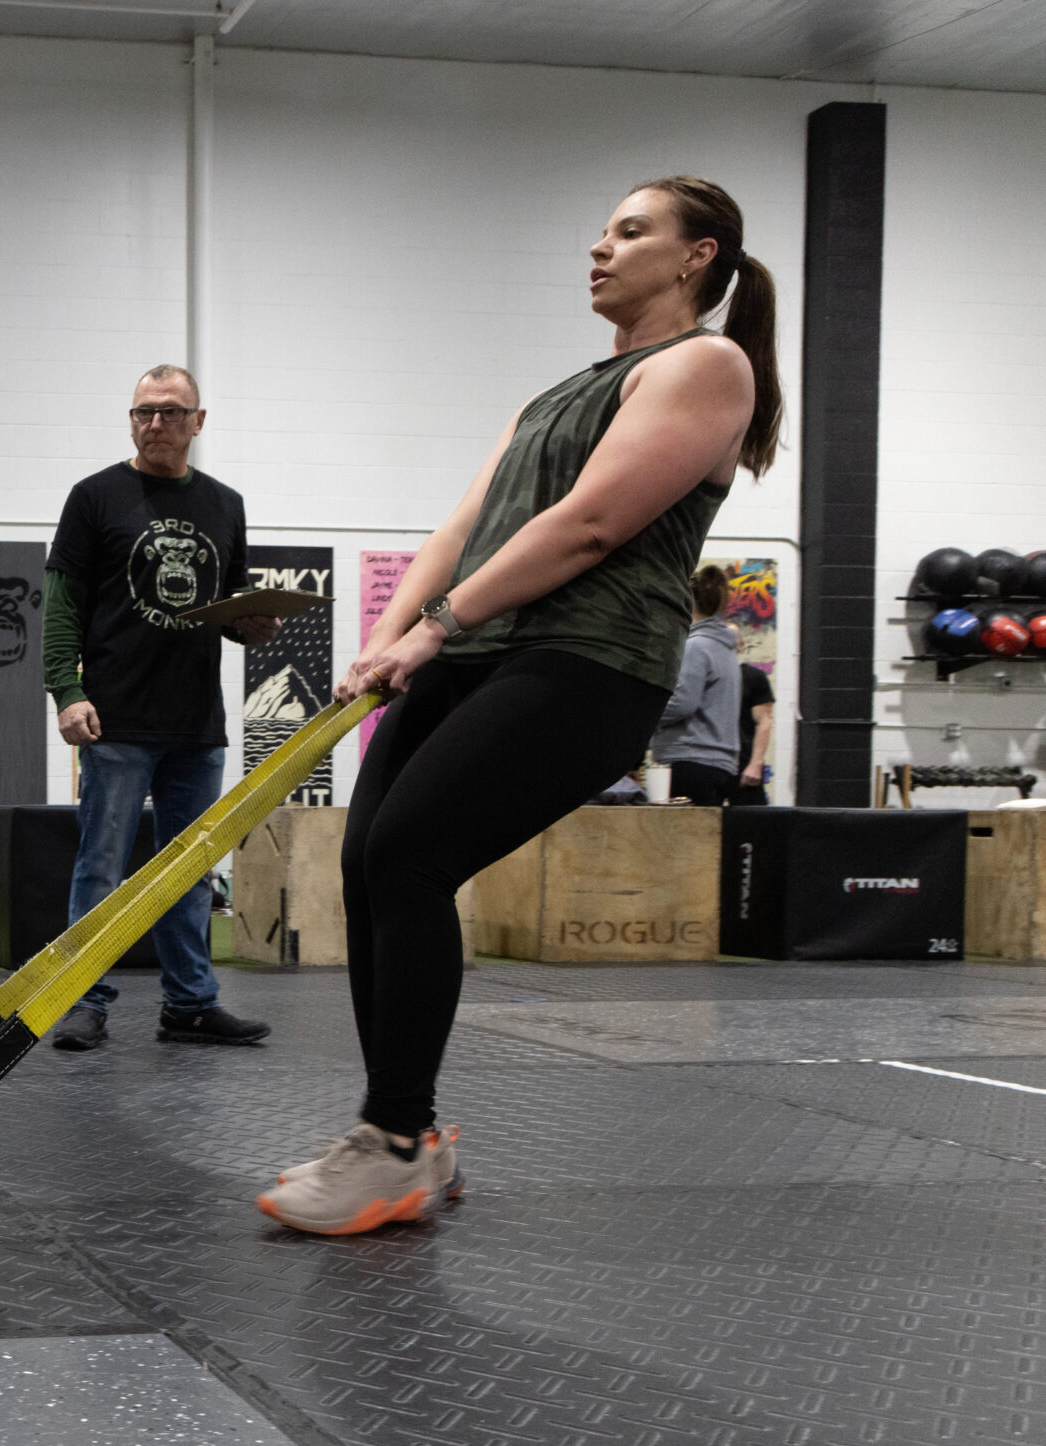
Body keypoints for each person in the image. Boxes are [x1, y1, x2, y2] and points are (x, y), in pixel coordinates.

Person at [258, 175, 781, 1235]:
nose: (599, 247)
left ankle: (392, 1143)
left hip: (587, 660)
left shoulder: (706, 366)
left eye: (629, 231)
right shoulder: (553, 396)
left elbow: (590, 526)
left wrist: (436, 626)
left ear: (697, 257)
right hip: (478, 645)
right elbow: (460, 530)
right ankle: (409, 1136)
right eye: (601, 231)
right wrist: (388, 637)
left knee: (409, 855)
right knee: (368, 865)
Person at [43, 363, 281, 1052]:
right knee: (101, 868)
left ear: (197, 422)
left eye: (171, 411)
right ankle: (84, 1000)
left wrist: (253, 625)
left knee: (191, 872)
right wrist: (67, 691)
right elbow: (61, 605)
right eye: (143, 411)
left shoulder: (225, 504)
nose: (155, 423)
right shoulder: (94, 497)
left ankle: (190, 1005)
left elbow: (227, 606)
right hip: (115, 719)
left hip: (196, 724)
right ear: (131, 421)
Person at [651, 564, 740, 805]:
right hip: (720, 764)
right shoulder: (726, 648)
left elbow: (682, 703)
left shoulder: (695, 646)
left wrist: (643, 713)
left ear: (686, 601)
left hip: (690, 760)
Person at [736, 660, 776, 804]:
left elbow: (764, 721)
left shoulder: (752, 676)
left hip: (744, 761)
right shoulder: (703, 676)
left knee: (751, 816)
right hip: (711, 762)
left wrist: (755, 764)